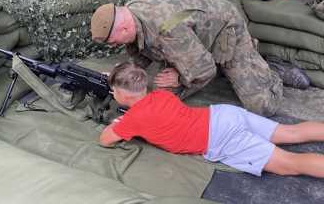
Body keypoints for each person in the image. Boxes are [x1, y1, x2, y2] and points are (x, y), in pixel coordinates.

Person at [99, 62, 324, 179]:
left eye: (113, 91)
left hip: (221, 138)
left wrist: (117, 124)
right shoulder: (161, 94)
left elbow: (105, 140)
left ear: (123, 95)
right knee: (290, 133)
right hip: (222, 114)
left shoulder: (133, 120)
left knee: (290, 164)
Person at [91, 0, 283, 116]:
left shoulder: (166, 30)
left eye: (113, 41)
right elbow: (139, 53)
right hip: (191, 38)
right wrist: (120, 75)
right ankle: (205, 60)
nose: (114, 46)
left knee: (261, 105)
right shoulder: (130, 13)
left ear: (124, 28)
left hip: (223, 30)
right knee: (160, 97)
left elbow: (205, 70)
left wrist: (180, 76)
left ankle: (267, 70)